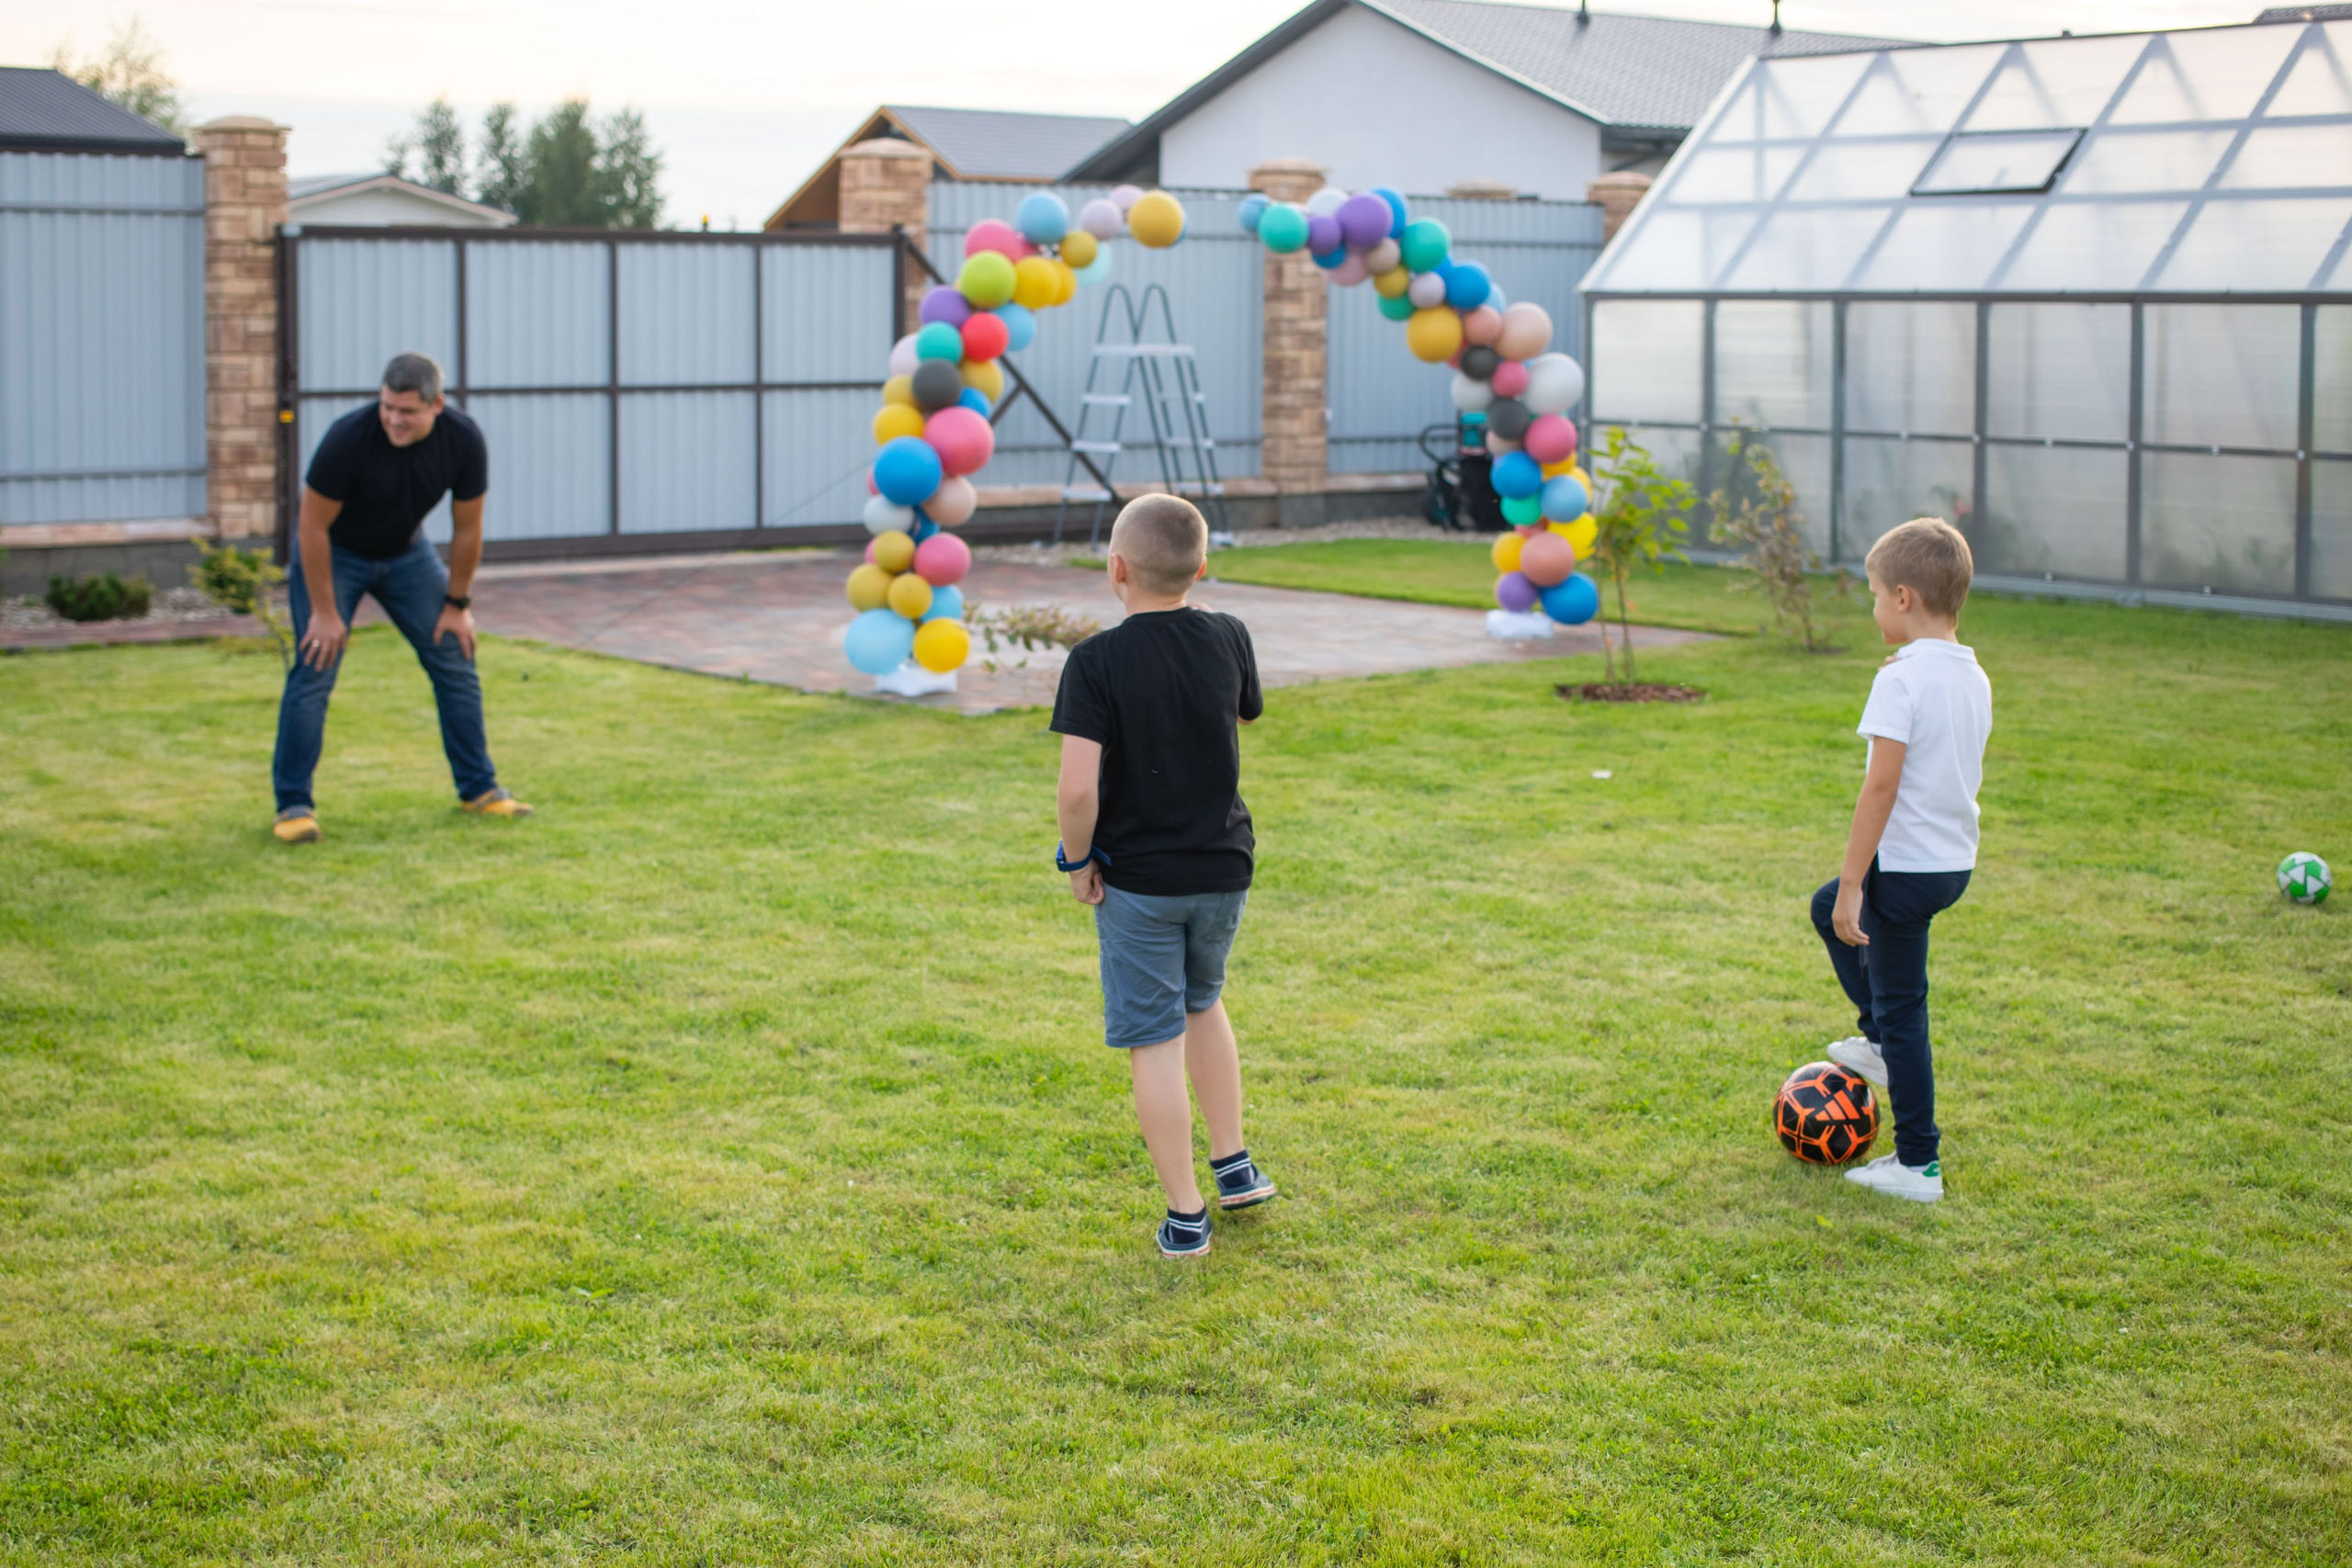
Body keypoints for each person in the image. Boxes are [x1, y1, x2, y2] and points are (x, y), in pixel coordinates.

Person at [1050, 494, 1276, 1258]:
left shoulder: (1095, 662)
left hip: (1141, 884)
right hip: (1224, 869)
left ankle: (1186, 1214)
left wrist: (1078, 862)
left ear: (1116, 568)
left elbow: (1079, 789)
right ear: (1203, 567)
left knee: (1154, 1037)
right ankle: (1234, 1163)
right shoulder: (1229, 634)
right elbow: (1242, 714)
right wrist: (1203, 625)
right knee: (1203, 1002)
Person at [270, 353, 530, 843]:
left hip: (406, 555)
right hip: (335, 554)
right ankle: (293, 807)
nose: (393, 419)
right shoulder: (349, 437)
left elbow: (468, 527)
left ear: (437, 405)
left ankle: (480, 790)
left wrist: (458, 604)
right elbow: (311, 526)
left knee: (454, 657)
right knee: (315, 666)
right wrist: (325, 613)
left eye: (406, 411)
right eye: (387, 406)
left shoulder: (463, 440)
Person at [1812, 517, 1991, 1203]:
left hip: (1905, 868)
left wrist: (1857, 880)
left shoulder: (1900, 680)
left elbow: (1881, 785)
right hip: (1951, 863)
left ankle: (1917, 1163)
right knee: (1825, 910)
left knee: (1901, 1005)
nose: (1874, 605)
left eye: (1876, 594)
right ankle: (1880, 1040)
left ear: (1906, 597)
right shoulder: (1970, 673)